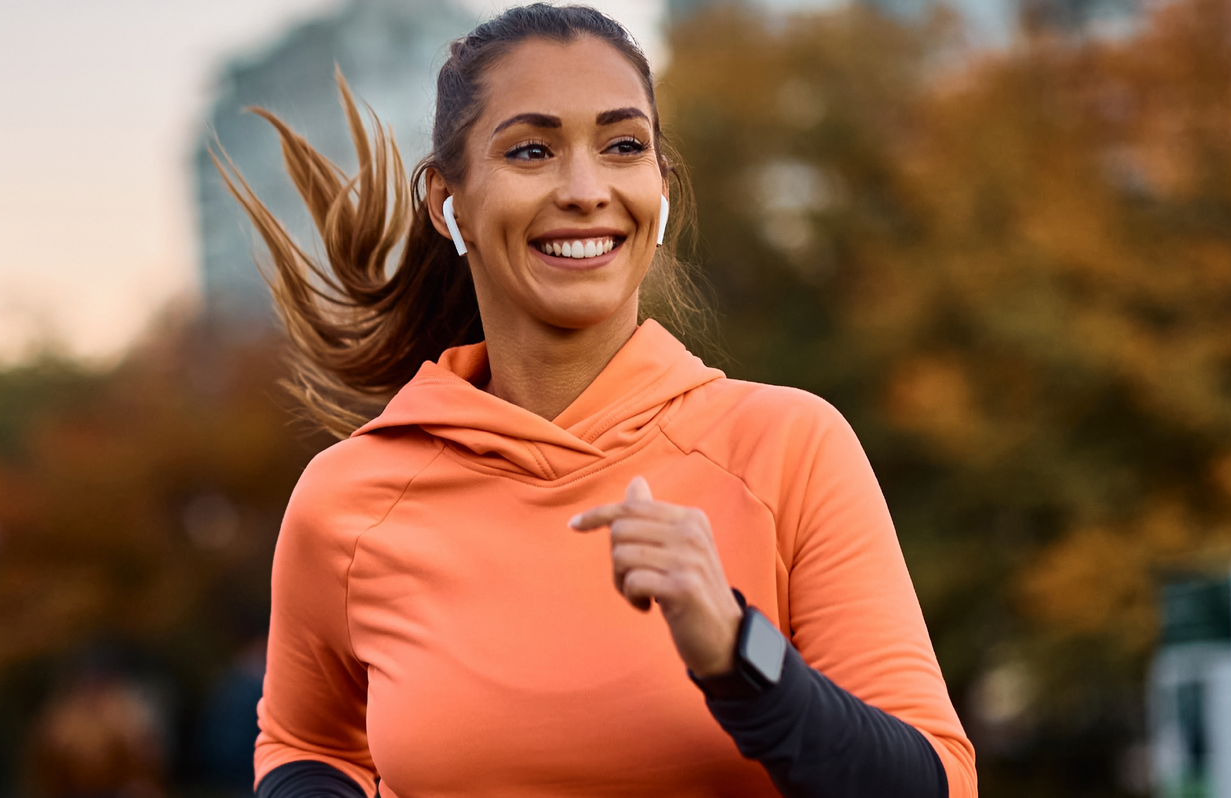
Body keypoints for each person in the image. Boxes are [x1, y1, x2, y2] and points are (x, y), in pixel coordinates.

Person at [222, 4, 976, 796]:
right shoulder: (348, 499)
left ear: (660, 192)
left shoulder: (791, 447)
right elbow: (306, 744)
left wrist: (739, 653)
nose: (586, 190)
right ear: (451, 202)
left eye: (623, 146)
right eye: (531, 151)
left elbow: (940, 784)